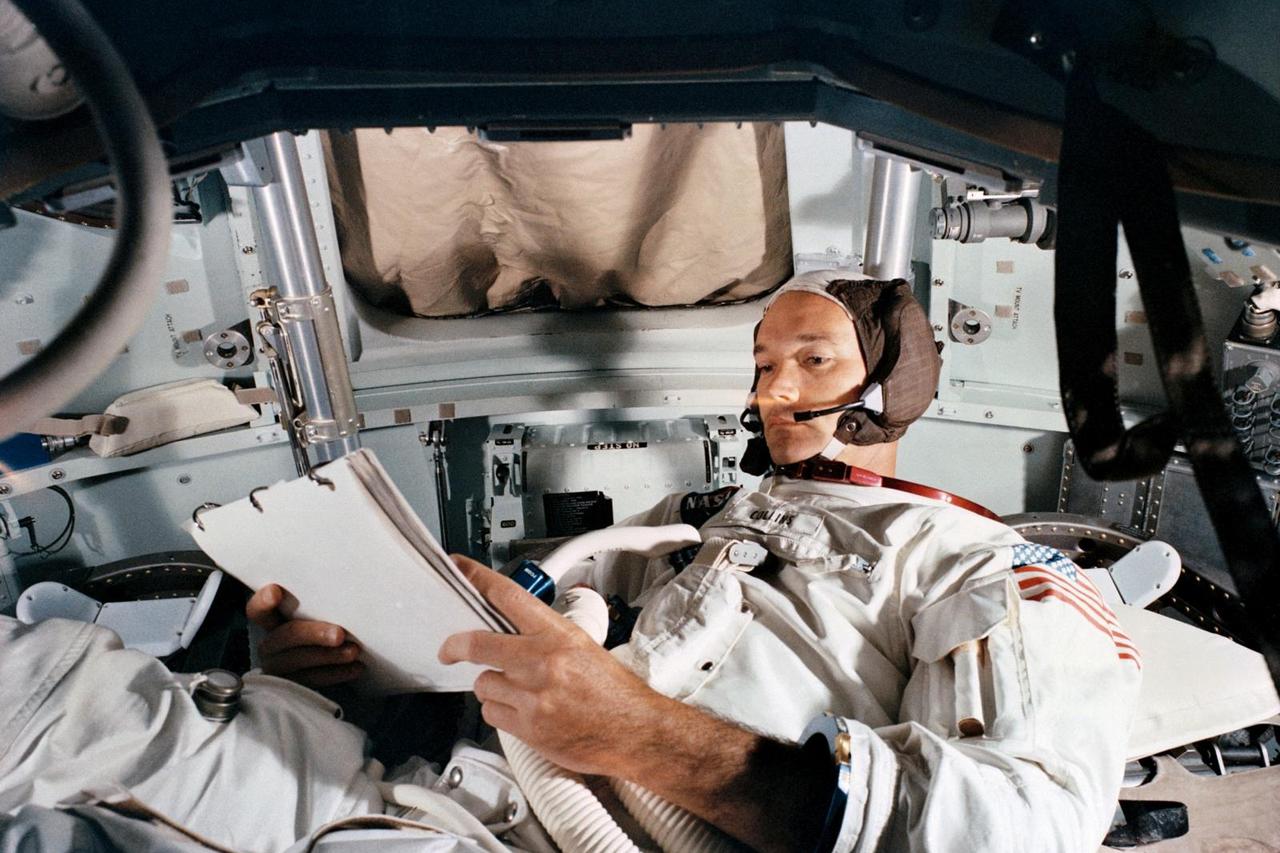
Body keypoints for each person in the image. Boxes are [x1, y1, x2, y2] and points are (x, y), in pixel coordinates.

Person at [248, 270, 1142, 852]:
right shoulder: (689, 520)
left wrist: (641, 734)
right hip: (455, 794)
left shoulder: (971, 559)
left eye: (812, 360)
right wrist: (352, 665)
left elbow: (1031, 822)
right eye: (761, 365)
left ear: (891, 384)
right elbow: (533, 629)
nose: (772, 392)